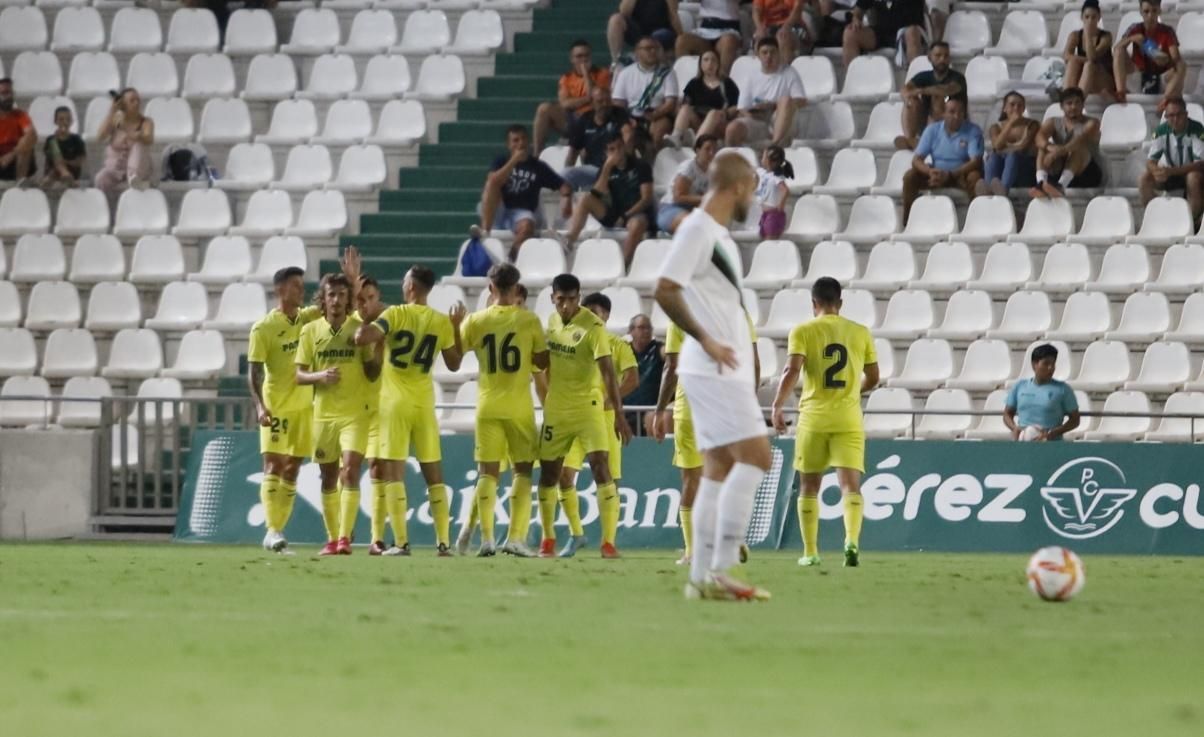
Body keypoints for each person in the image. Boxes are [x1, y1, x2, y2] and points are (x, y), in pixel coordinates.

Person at [653, 151, 772, 601]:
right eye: (752, 190)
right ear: (738, 187)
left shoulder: (714, 233)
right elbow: (664, 288)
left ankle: (702, 577)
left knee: (717, 468)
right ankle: (721, 569)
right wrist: (704, 338)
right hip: (714, 368)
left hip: (720, 368)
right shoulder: (698, 229)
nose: (754, 201)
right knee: (759, 457)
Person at [354, 266, 467, 557]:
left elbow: (362, 338)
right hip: (425, 404)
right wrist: (456, 325)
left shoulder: (394, 315)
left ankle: (401, 543)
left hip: (394, 404)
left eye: (405, 282)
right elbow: (455, 363)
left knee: (393, 475)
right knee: (434, 474)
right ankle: (443, 543)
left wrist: (368, 321)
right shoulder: (440, 321)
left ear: (411, 287)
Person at [770, 277, 878, 568]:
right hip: (848, 418)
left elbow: (792, 370)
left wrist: (778, 404)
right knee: (850, 486)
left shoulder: (803, 330)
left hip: (814, 417)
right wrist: (854, 391)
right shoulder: (859, 332)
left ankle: (810, 552)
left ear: (813, 303)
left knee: (808, 487)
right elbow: (875, 377)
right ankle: (852, 540)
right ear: (840, 303)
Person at [535, 274, 633, 559]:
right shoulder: (552, 323)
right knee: (550, 473)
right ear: (552, 298)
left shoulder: (593, 327)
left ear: (578, 297)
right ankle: (548, 539)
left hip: (588, 407)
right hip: (556, 408)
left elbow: (608, 374)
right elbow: (544, 362)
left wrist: (619, 414)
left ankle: (608, 543)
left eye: (572, 299)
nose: (566, 305)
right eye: (561, 299)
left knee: (601, 467)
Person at [459, 264, 549, 556]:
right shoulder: (529, 321)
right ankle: (515, 538)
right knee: (522, 471)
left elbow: (455, 355)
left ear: (490, 288)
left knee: (487, 473)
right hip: (519, 406)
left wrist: (455, 324)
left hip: (487, 404)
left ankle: (486, 538)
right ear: (516, 287)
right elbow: (541, 361)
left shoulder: (476, 321)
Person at [654, 318, 759, 566]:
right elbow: (752, 363)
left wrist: (659, 410)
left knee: (691, 479)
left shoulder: (679, 318)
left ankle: (692, 551)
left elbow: (671, 366)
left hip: (690, 407)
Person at [295, 271, 382, 556]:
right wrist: (320, 376)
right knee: (328, 477)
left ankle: (345, 538)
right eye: (330, 295)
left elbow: (371, 374)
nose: (335, 300)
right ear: (323, 299)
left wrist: (377, 346)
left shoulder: (359, 329)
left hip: (354, 414)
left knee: (350, 471)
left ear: (348, 300)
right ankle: (332, 540)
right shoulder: (310, 331)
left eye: (341, 295)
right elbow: (299, 375)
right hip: (323, 415)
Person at [248, 264, 327, 555]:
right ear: (280, 290)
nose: (301, 290)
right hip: (276, 407)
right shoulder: (263, 328)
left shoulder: (306, 318)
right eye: (296, 285)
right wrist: (260, 406)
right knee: (274, 465)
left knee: (293, 469)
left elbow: (334, 303)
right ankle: (273, 530)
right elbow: (253, 373)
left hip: (305, 408)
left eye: (302, 285)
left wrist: (353, 279)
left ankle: (276, 533)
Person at [479, 125, 572, 262]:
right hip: (499, 211)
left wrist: (567, 198)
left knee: (527, 225)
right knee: (491, 184)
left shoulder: (538, 166)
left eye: (523, 139)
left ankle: (511, 259)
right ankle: (485, 233)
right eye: (515, 140)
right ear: (509, 144)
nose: (521, 143)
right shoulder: (501, 161)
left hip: (522, 212)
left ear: (528, 141)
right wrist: (514, 161)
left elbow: (563, 185)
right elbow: (494, 180)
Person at [563, 131, 655, 267]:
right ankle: (570, 240)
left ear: (624, 146)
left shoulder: (641, 166)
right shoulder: (606, 169)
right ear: (606, 152)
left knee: (636, 224)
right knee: (585, 198)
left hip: (635, 213)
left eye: (619, 147)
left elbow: (646, 198)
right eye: (612, 149)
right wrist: (607, 167)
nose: (617, 152)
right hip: (614, 212)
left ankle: (622, 266)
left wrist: (625, 216)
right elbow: (596, 194)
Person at [901, 95, 982, 222]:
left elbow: (975, 161)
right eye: (952, 112)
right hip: (936, 173)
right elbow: (916, 160)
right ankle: (908, 221)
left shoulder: (973, 130)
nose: (956, 116)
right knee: (909, 177)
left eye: (960, 112)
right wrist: (929, 172)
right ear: (943, 113)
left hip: (961, 173)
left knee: (975, 177)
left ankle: (978, 220)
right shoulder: (932, 130)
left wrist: (950, 174)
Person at [532, 40, 612, 155]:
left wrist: (586, 75)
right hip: (573, 119)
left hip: (593, 119)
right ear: (572, 59)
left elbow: (596, 98)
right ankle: (537, 155)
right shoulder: (566, 78)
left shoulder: (602, 74)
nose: (583, 59)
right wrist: (586, 99)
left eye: (586, 56)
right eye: (579, 56)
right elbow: (565, 103)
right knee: (544, 109)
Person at [725, 37, 807, 149]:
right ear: (758, 56)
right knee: (732, 129)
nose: (769, 56)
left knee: (785, 100)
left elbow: (801, 101)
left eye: (772, 52)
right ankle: (733, 161)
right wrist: (752, 115)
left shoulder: (790, 72)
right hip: (759, 120)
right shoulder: (751, 76)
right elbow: (742, 107)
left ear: (778, 53)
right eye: (764, 53)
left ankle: (774, 147)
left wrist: (774, 104)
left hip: (780, 118)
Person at [1030, 87, 1104, 199]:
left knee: (1079, 149)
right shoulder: (1053, 122)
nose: (1073, 107)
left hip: (1087, 172)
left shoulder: (1092, 123)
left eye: (1077, 103)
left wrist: (1058, 152)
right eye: (1069, 103)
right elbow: (1039, 138)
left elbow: (1078, 141)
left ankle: (1060, 186)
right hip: (1062, 167)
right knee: (1042, 148)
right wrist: (1049, 147)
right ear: (1062, 106)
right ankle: (1040, 183)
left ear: (1083, 105)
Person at [1139, 97, 1204, 224]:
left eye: (1178, 115)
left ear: (1186, 114)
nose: (1175, 119)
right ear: (1166, 117)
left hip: (1193, 173)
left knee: (1193, 177)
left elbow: (1200, 164)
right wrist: (1156, 170)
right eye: (1170, 115)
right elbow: (1150, 161)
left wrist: (1170, 171)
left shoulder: (1197, 129)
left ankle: (1191, 222)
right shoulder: (1161, 131)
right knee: (1144, 179)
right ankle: (1156, 219)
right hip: (1172, 173)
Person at [612, 36, 680, 152]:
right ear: (637, 52)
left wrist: (654, 115)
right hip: (632, 114)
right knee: (627, 135)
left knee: (657, 134)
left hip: (658, 114)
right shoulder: (625, 73)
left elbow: (670, 103)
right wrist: (626, 119)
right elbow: (618, 103)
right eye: (648, 48)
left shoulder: (667, 73)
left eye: (655, 48)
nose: (652, 51)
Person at [1113, 0, 1184, 110]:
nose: (1150, 15)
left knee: (1181, 65)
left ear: (1159, 11)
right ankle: (1121, 92)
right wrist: (1131, 39)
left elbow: (1175, 58)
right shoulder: (1135, 28)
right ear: (1141, 12)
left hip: (1161, 77)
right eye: (1146, 11)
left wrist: (1152, 51)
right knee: (1119, 51)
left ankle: (1166, 99)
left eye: (1154, 11)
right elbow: (1116, 48)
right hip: (1138, 75)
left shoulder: (1167, 30)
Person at [896, 42, 965, 151]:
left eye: (946, 56)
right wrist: (908, 97)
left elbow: (947, 90)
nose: (942, 59)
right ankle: (911, 139)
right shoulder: (924, 76)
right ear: (929, 58)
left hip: (953, 124)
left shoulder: (958, 78)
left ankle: (925, 143)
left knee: (938, 97)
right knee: (911, 101)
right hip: (926, 122)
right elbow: (905, 89)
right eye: (938, 56)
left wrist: (921, 90)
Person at [1003, 344, 1080, 442]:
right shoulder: (1020, 386)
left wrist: (1054, 432)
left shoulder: (1063, 389)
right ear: (1034, 364)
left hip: (1050, 445)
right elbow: (1007, 413)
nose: (1050, 368)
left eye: (1053, 364)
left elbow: (1075, 420)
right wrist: (1014, 428)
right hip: (1023, 443)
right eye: (1046, 363)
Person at [562, 86, 630, 193]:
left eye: (608, 101)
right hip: (593, 170)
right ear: (592, 103)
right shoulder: (584, 120)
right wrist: (567, 170)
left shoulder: (619, 114)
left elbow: (628, 135)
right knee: (565, 175)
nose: (605, 104)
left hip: (615, 169)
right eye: (600, 101)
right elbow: (573, 153)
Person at [666, 49, 740, 148]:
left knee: (714, 113)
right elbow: (686, 102)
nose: (710, 63)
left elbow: (736, 106)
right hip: (699, 118)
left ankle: (698, 144)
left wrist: (725, 113)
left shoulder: (727, 83)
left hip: (718, 120)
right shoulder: (694, 83)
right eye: (706, 60)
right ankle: (676, 137)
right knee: (685, 109)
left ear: (718, 64)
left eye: (713, 60)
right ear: (700, 64)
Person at [95, 88, 154, 197]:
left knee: (138, 144)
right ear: (123, 104)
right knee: (101, 178)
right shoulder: (115, 120)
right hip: (116, 167)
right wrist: (112, 111)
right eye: (132, 100)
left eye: (138, 100)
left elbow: (148, 138)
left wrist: (124, 127)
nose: (136, 103)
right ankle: (105, 208)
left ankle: (134, 178)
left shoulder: (146, 121)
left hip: (138, 169)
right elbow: (100, 137)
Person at [977, 91, 1038, 197]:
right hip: (1002, 166)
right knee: (993, 157)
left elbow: (1022, 147)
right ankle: (989, 191)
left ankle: (1003, 190)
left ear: (1024, 109)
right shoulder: (995, 127)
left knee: (1012, 155)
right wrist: (1010, 123)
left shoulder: (1032, 125)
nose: (1016, 108)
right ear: (1004, 108)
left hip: (1024, 167)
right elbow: (996, 145)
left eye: (1020, 105)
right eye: (1012, 105)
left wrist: (1005, 149)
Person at [657, 134, 717, 234]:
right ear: (698, 151)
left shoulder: (713, 171)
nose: (712, 153)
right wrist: (705, 198)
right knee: (693, 225)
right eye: (707, 149)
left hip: (694, 211)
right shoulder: (688, 167)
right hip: (671, 208)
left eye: (714, 150)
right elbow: (678, 197)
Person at [843, 0, 928, 69]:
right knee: (850, 33)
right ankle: (853, 81)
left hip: (908, 30)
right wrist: (856, 20)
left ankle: (916, 83)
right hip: (882, 31)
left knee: (911, 33)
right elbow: (857, 12)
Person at [675, 0, 743, 76]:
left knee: (728, 41)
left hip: (729, 26)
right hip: (706, 27)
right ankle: (687, 82)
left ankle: (722, 83)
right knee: (682, 41)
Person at [607, 0, 683, 69]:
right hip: (639, 32)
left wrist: (680, 37)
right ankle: (616, 61)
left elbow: (673, 16)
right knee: (615, 20)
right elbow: (624, 13)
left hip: (662, 31)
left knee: (656, 36)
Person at [1063, 0, 1115, 100]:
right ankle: (1067, 99)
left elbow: (1092, 57)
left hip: (1103, 80)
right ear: (1082, 18)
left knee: (1089, 66)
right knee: (1073, 63)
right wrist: (1082, 60)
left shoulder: (1106, 36)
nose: (1090, 21)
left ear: (1099, 18)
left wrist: (1087, 35)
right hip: (1084, 78)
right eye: (1087, 17)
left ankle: (1078, 102)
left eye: (1093, 17)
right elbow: (1066, 56)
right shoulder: (1075, 35)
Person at [624, 313, 664, 435]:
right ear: (631, 331)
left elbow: (669, 354)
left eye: (649, 328)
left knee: (653, 418)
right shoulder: (622, 351)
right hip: (625, 410)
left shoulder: (658, 349)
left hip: (650, 411)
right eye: (642, 328)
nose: (646, 331)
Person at [40, 106, 86, 189]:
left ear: (72, 121)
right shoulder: (51, 139)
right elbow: (52, 158)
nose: (65, 122)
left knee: (57, 169)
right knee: (55, 169)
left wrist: (66, 162)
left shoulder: (77, 139)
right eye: (61, 119)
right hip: (53, 172)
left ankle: (65, 175)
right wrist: (55, 141)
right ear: (55, 121)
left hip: (72, 171)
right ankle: (64, 174)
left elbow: (80, 161)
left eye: (68, 119)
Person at [0, 78, 36, 182]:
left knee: (26, 143)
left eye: (11, 93)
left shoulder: (20, 115)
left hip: (16, 161)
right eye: (4, 93)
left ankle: (20, 186)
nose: (9, 97)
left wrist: (11, 155)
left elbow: (32, 135)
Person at [755, 145, 793, 238]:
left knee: (770, 240)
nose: (761, 158)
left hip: (773, 215)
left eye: (764, 157)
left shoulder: (776, 177)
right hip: (765, 214)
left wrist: (781, 205)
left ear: (770, 161)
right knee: (764, 238)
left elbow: (785, 190)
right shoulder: (762, 172)